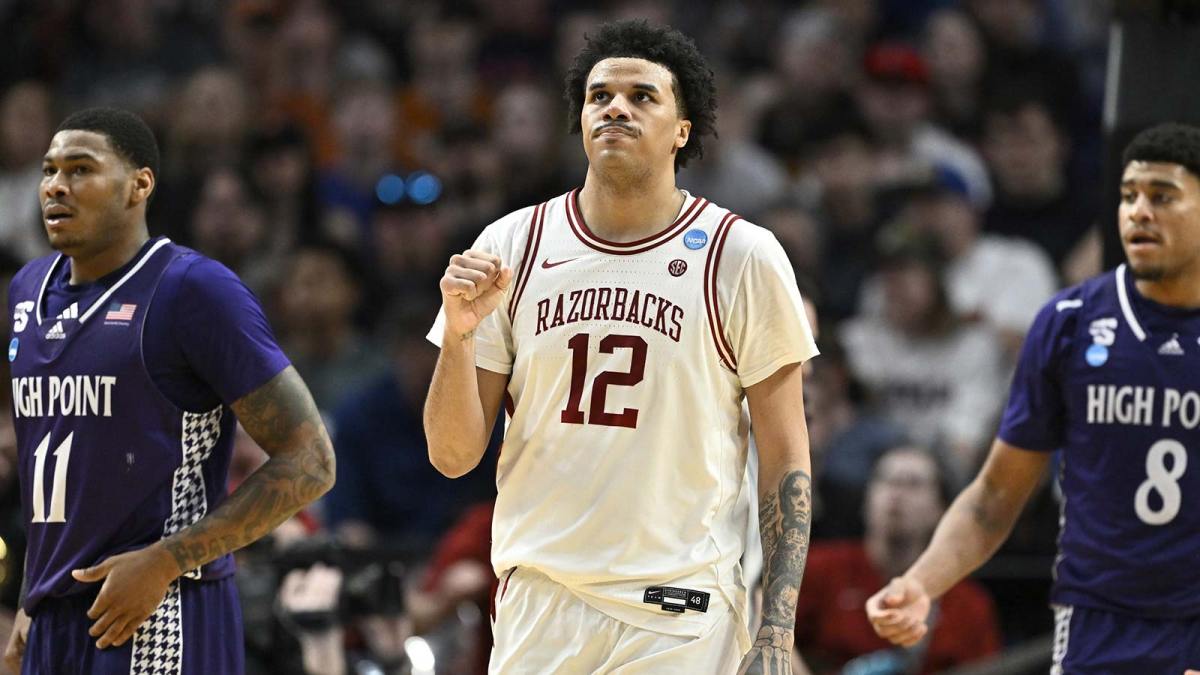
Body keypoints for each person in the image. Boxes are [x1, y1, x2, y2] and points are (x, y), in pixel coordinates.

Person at [424, 19, 818, 674]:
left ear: (682, 131)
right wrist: (458, 339)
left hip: (679, 607)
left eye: (643, 96)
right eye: (600, 95)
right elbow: (453, 455)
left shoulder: (740, 255)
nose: (616, 107)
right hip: (539, 601)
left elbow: (785, 458)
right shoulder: (508, 246)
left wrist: (776, 628)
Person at [2, 107, 335, 674]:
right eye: (49, 170)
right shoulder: (27, 289)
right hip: (52, 616)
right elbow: (55, 472)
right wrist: (32, 599)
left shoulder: (192, 290)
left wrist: (165, 562)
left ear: (140, 185)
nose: (56, 185)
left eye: (81, 169)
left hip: (163, 610)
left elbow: (310, 461)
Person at [865, 122, 1200, 673]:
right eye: (1128, 196)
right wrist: (921, 583)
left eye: (1162, 197)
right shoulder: (1071, 323)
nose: (1139, 212)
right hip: (1098, 620)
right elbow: (995, 496)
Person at [795, 445, 1000, 674]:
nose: (897, 493)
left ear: (942, 510)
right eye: (886, 480)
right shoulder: (818, 568)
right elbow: (767, 630)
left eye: (913, 484)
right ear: (866, 499)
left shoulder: (969, 604)